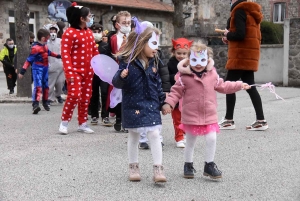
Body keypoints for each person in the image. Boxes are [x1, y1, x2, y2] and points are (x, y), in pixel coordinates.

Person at [162, 41, 250, 179]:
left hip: (209, 114)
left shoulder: (212, 75)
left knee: (212, 138)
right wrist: (168, 103)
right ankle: (188, 164)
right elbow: (175, 92)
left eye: (202, 60)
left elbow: (224, 86)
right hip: (191, 114)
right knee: (190, 140)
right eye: (194, 60)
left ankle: (209, 164)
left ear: (207, 60)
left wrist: (239, 85)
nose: (198, 63)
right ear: (189, 60)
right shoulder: (184, 77)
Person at [112, 26, 166, 182]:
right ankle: (133, 166)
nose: (156, 49)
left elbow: (158, 85)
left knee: (155, 133)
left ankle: (158, 168)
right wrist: (121, 76)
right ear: (142, 43)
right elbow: (116, 83)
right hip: (133, 104)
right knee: (134, 135)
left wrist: (163, 102)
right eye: (153, 44)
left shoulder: (154, 63)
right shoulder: (127, 63)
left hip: (151, 105)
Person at [219, 0, 268, 131]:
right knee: (251, 86)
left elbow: (240, 34)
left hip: (240, 56)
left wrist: (227, 34)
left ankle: (228, 120)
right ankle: (261, 120)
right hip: (249, 55)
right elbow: (249, 35)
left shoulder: (239, 11)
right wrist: (229, 37)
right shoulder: (252, 12)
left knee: (229, 85)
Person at [58, 2, 99, 134]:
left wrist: (99, 65)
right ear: (82, 18)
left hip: (89, 71)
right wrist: (69, 72)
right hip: (74, 71)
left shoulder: (88, 32)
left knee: (86, 97)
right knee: (74, 95)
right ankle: (64, 122)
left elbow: (94, 51)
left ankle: (83, 123)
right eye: (89, 15)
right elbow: (65, 54)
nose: (91, 17)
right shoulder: (69, 33)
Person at [138, 21, 170, 149]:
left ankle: (158, 139)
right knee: (141, 114)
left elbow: (164, 72)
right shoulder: (135, 58)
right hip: (140, 92)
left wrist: (166, 89)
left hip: (154, 91)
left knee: (155, 116)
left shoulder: (157, 56)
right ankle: (143, 139)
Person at [19, 29, 61, 114]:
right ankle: (35, 105)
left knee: (46, 86)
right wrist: (22, 71)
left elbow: (48, 53)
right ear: (42, 38)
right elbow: (29, 60)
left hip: (45, 68)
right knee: (38, 86)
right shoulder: (35, 48)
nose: (48, 39)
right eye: (47, 38)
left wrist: (59, 56)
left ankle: (45, 102)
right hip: (37, 69)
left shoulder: (45, 46)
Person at [107, 11, 132, 132]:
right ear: (117, 25)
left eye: (128, 22)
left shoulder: (134, 37)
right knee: (117, 95)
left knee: (128, 95)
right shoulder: (113, 38)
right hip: (117, 70)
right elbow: (110, 53)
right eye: (124, 23)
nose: (127, 25)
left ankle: (127, 121)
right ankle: (118, 119)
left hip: (131, 70)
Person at [167, 38, 193, 148]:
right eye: (178, 53)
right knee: (177, 118)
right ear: (173, 52)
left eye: (184, 53)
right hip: (176, 95)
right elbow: (165, 78)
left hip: (188, 96)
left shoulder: (191, 63)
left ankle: (185, 133)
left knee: (187, 117)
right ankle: (179, 137)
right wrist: (172, 77)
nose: (181, 56)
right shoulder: (171, 63)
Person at [89, 23, 113, 126]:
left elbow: (110, 58)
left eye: (98, 31)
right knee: (93, 94)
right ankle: (94, 115)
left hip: (103, 73)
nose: (96, 33)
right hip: (92, 73)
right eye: (94, 31)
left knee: (104, 93)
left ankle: (105, 115)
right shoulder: (88, 44)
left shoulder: (106, 45)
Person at [46, 23, 65, 105]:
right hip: (51, 66)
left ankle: (58, 95)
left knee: (60, 82)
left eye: (54, 30)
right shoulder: (46, 42)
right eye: (51, 31)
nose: (52, 32)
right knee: (50, 83)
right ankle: (49, 98)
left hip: (61, 65)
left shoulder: (61, 41)